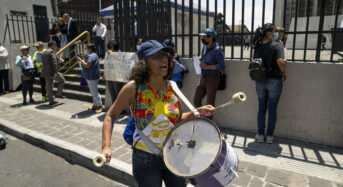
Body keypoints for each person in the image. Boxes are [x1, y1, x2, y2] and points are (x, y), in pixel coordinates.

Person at [101, 40, 216, 187]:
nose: (163, 59)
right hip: (145, 158)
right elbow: (110, 116)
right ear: (144, 63)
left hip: (174, 154)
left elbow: (177, 119)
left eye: (165, 55)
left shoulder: (172, 87)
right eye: (156, 56)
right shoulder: (133, 88)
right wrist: (106, 146)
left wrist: (195, 112)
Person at [251, 23, 287, 144]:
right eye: (274, 31)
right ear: (268, 33)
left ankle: (260, 135)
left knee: (261, 108)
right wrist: (284, 72)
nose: (276, 33)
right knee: (272, 109)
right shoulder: (277, 46)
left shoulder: (257, 46)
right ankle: (270, 136)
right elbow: (280, 61)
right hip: (274, 81)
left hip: (260, 81)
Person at [193, 28, 225, 115]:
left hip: (212, 78)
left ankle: (208, 121)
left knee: (210, 103)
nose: (202, 39)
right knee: (196, 99)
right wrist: (198, 59)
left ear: (210, 38)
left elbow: (222, 65)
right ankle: (201, 116)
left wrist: (208, 67)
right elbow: (203, 56)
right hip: (203, 77)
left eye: (204, 37)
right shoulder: (204, 47)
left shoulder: (217, 50)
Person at [77, 44, 103, 113]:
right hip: (93, 75)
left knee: (94, 92)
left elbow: (87, 66)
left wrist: (80, 60)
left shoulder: (91, 56)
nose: (86, 50)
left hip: (92, 76)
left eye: (87, 49)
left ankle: (100, 105)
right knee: (93, 91)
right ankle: (95, 105)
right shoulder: (93, 55)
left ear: (90, 49)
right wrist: (85, 56)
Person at [41, 41, 66, 105]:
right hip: (52, 72)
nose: (55, 47)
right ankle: (58, 93)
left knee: (49, 86)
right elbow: (54, 63)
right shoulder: (52, 52)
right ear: (52, 45)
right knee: (62, 80)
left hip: (45, 72)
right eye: (55, 46)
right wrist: (55, 72)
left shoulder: (43, 52)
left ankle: (51, 100)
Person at [104, 40, 123, 104]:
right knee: (112, 93)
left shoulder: (119, 53)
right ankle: (114, 108)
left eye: (111, 46)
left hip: (117, 77)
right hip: (110, 76)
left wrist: (112, 54)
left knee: (118, 93)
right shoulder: (108, 53)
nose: (110, 47)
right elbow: (107, 64)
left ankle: (120, 109)